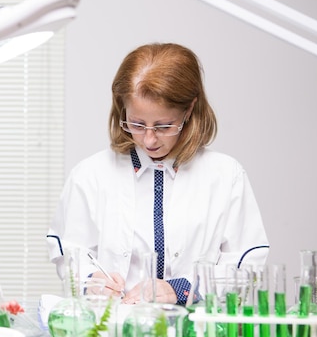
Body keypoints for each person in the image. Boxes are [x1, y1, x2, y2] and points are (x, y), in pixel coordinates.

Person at [46, 43, 269, 305]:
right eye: (137, 124)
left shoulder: (225, 175)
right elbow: (69, 252)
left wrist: (182, 290)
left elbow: (247, 261)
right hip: (111, 331)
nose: (149, 139)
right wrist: (92, 280)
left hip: (194, 335)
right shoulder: (90, 174)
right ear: (122, 108)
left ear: (189, 110)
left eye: (163, 126)